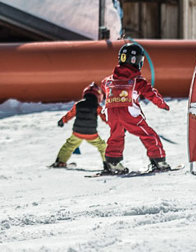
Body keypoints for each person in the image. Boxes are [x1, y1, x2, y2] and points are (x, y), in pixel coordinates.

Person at [99, 42, 171, 174]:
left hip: (111, 113)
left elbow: (104, 85)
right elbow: (151, 93)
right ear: (137, 61)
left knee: (116, 135)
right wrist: (162, 104)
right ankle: (158, 160)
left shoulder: (108, 80)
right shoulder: (137, 80)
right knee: (147, 134)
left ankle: (112, 162)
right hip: (129, 113)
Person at [50, 82, 107, 168]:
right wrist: (115, 124)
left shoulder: (78, 104)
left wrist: (62, 120)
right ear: (98, 96)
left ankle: (60, 161)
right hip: (91, 134)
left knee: (68, 146)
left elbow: (70, 114)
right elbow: (105, 117)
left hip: (77, 133)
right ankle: (109, 164)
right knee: (103, 147)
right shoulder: (97, 107)